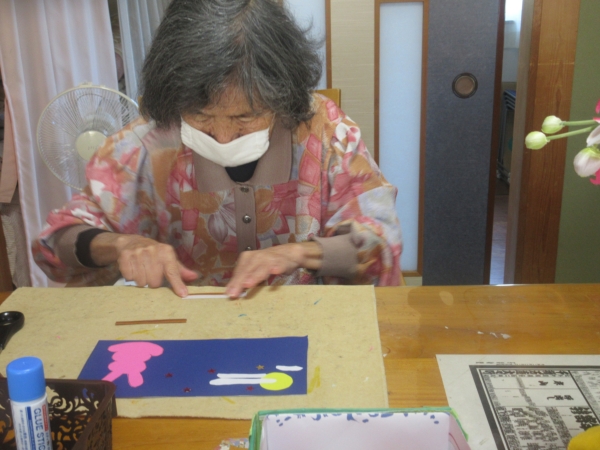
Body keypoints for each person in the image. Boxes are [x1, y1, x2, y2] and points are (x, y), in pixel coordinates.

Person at [33, 0, 402, 298]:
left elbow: (379, 241)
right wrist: (121, 245)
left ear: (282, 98)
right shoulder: (149, 141)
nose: (223, 137)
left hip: (303, 319)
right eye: (202, 117)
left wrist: (300, 253)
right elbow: (55, 240)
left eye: (245, 117)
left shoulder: (326, 132)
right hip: (186, 326)